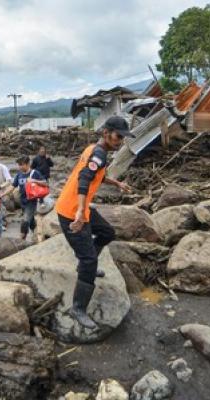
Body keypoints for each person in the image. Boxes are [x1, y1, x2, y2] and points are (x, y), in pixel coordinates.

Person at [55, 116, 134, 329]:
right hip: (72, 212)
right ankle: (78, 308)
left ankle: (85, 266)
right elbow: (83, 180)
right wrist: (81, 210)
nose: (120, 141)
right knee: (90, 260)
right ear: (106, 133)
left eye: (123, 138)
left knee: (107, 232)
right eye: (118, 136)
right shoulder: (98, 153)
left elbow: (94, 175)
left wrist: (116, 183)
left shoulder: (96, 150)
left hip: (77, 208)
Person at [3, 156, 47, 240]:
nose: (19, 167)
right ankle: (36, 233)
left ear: (28, 164)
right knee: (30, 220)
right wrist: (2, 194)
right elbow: (13, 186)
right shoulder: (19, 174)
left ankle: (21, 239)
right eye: (19, 165)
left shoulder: (35, 173)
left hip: (31, 202)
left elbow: (45, 183)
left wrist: (34, 180)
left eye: (21, 165)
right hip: (22, 202)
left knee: (25, 220)